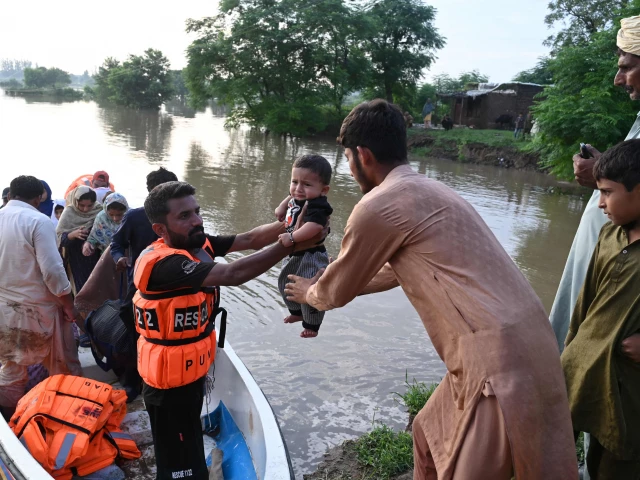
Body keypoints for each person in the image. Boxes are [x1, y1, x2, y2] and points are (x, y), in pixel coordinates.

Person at [284, 99, 578, 479]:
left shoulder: (376, 206)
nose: (350, 169)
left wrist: (308, 293)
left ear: (362, 155)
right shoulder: (431, 189)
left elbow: (334, 291)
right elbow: (389, 272)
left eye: (348, 158)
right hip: (532, 338)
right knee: (427, 434)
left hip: (496, 359)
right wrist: (323, 288)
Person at [134, 181, 324, 480]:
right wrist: (290, 244)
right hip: (167, 388)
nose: (197, 220)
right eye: (184, 216)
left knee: (189, 444)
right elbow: (233, 273)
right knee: (178, 466)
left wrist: (293, 226)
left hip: (187, 372)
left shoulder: (196, 243)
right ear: (160, 229)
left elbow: (250, 239)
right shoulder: (165, 264)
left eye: (196, 211)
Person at [549, 17, 640, 478]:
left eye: (626, 66)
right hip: (605, 274)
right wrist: (607, 173)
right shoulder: (611, 234)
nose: (619, 79)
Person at [562, 139, 640, 478]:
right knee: (560, 451)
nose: (600, 203)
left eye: (607, 192)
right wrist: (569, 352)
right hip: (581, 370)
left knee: (615, 463)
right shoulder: (609, 236)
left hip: (626, 393)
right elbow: (585, 304)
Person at [0, 176, 80, 419]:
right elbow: (53, 271)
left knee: (11, 367)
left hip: (4, 308)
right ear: (39, 198)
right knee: (60, 365)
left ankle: (11, 422)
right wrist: (69, 305)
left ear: (10, 195)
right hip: (38, 310)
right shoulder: (38, 220)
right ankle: (60, 417)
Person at [274, 155, 333, 338]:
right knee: (285, 283)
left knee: (311, 290)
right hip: (296, 254)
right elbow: (291, 197)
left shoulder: (318, 205)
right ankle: (297, 312)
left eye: (306, 184)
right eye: (294, 182)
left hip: (311, 255)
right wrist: (282, 207)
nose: (298, 188)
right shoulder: (299, 196)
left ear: (323, 190)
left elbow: (314, 226)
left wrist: (292, 237)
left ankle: (312, 325)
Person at [56, 186, 103, 295]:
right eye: (82, 205)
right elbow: (58, 237)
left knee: (98, 288)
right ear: (75, 200)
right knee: (80, 290)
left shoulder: (99, 210)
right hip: (76, 260)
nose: (86, 209)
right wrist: (71, 235)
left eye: (90, 205)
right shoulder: (69, 212)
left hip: (96, 257)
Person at [83, 192, 129, 257]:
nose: (115, 218)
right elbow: (93, 237)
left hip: (128, 256)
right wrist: (88, 244)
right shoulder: (101, 218)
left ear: (125, 211)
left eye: (119, 215)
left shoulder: (130, 218)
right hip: (106, 257)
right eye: (111, 215)